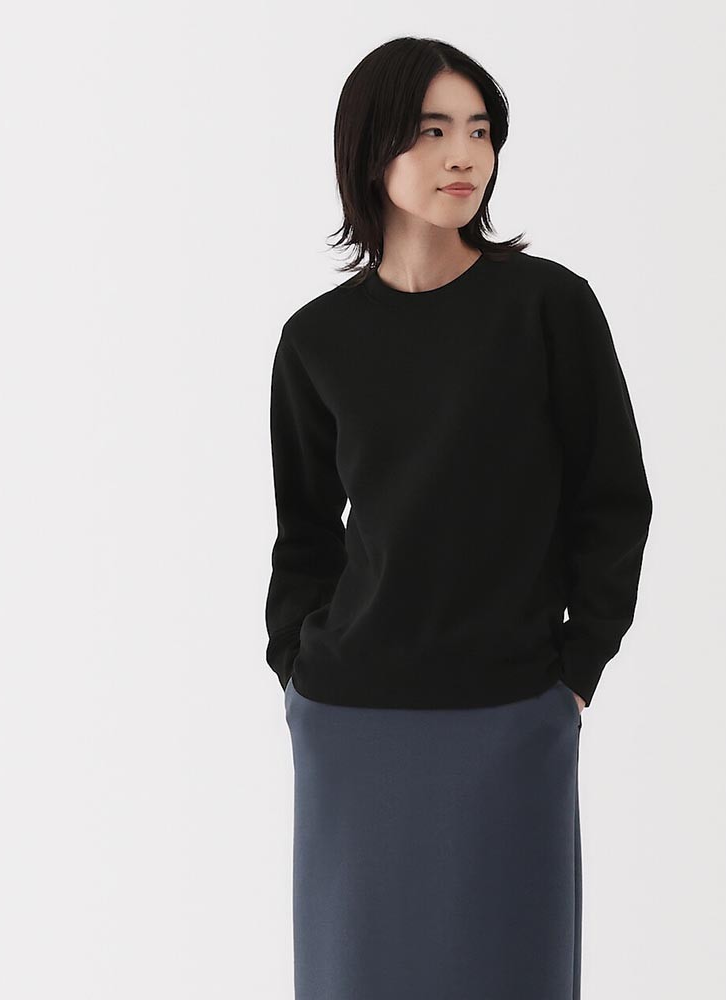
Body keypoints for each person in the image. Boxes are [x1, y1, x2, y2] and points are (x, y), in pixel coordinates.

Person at [265, 36, 653, 1000]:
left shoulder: (549, 307)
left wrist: (577, 669)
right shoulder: (316, 339)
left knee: (513, 969)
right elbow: (305, 533)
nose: (463, 156)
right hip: (350, 721)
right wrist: (295, 665)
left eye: (479, 132)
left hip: (511, 711)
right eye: (433, 131)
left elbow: (614, 499)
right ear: (371, 150)